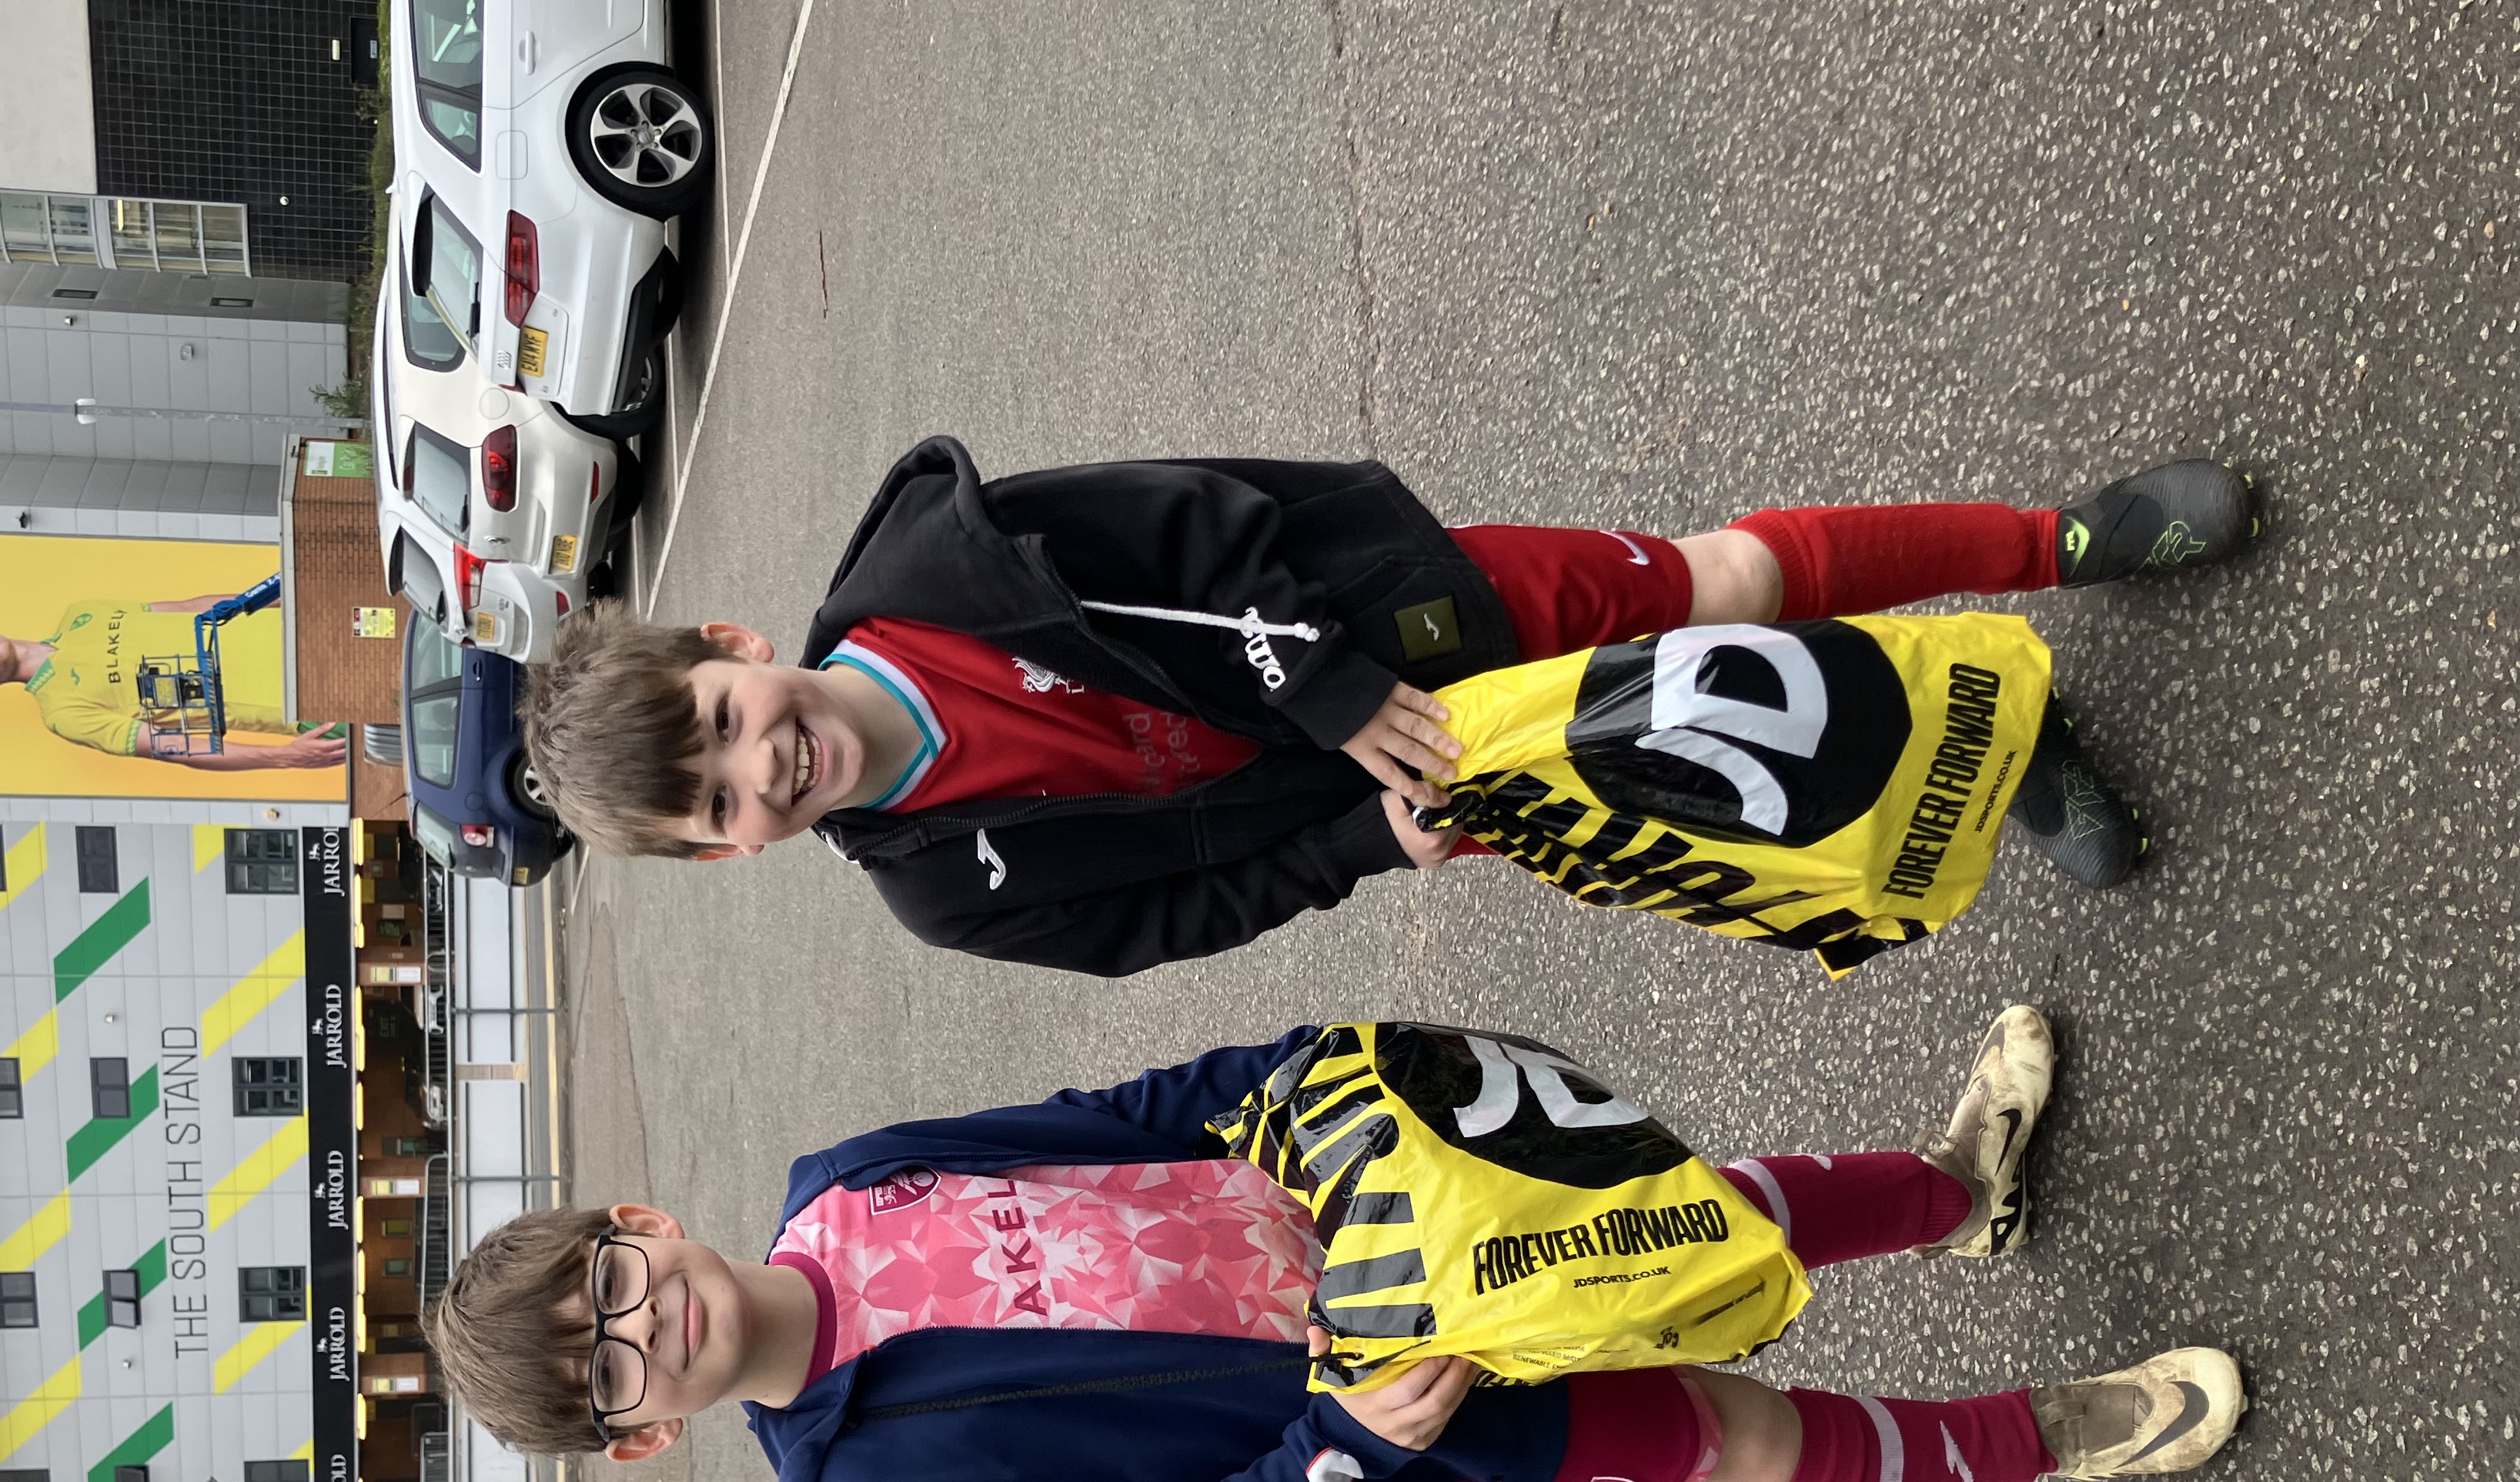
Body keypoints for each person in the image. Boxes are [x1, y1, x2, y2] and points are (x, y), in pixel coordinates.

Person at [430, 1011, 2244, 1482]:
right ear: (641, 1437)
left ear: (638, 1224)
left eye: (608, 1287)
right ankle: (2057, 1434)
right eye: (609, 1373)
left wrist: (1281, 1085)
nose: (641, 1326)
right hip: (1404, 1429)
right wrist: (1339, 1450)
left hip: (1404, 1225)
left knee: (1697, 1220)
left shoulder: (845, 1182)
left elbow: (1118, 1123)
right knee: (1723, 1427)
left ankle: (1955, 1193)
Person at [521, 442, 2264, 975]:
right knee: (1730, 763)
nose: (762, 762)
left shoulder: (942, 563)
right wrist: (1360, 842)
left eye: (723, 714)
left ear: (733, 642)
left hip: (1381, 625)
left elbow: (1196, 526)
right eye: (720, 799)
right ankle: (1998, 748)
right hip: (1422, 775)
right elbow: (1177, 915)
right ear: (724, 853)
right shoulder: (938, 891)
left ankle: (2061, 540)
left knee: (1721, 589)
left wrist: (1334, 681)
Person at [0, 591, 348, 774]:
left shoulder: (82, 613)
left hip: (311, 630)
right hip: (312, 705)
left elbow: (187, 609)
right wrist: (284, 757)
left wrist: (286, 596)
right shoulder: (62, 714)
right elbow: (181, 749)